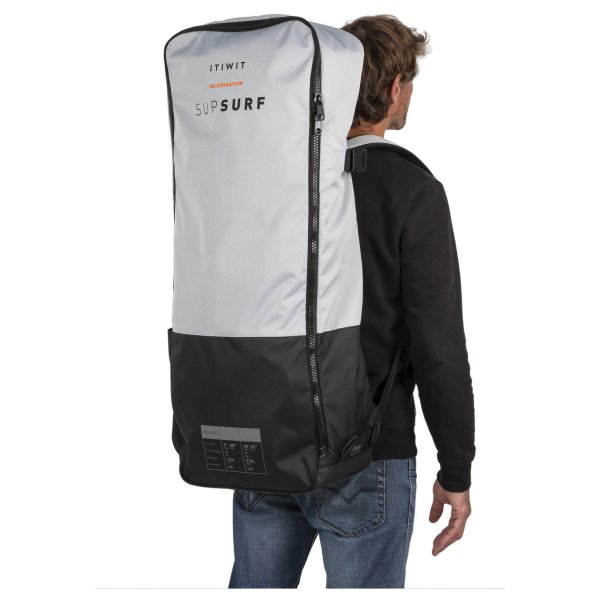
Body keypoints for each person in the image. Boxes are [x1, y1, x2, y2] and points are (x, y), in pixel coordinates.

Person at [228, 14, 475, 589]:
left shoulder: (280, 177)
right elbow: (439, 348)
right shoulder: (413, 191)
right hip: (369, 455)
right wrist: (456, 468)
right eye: (409, 82)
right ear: (395, 87)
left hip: (270, 440)